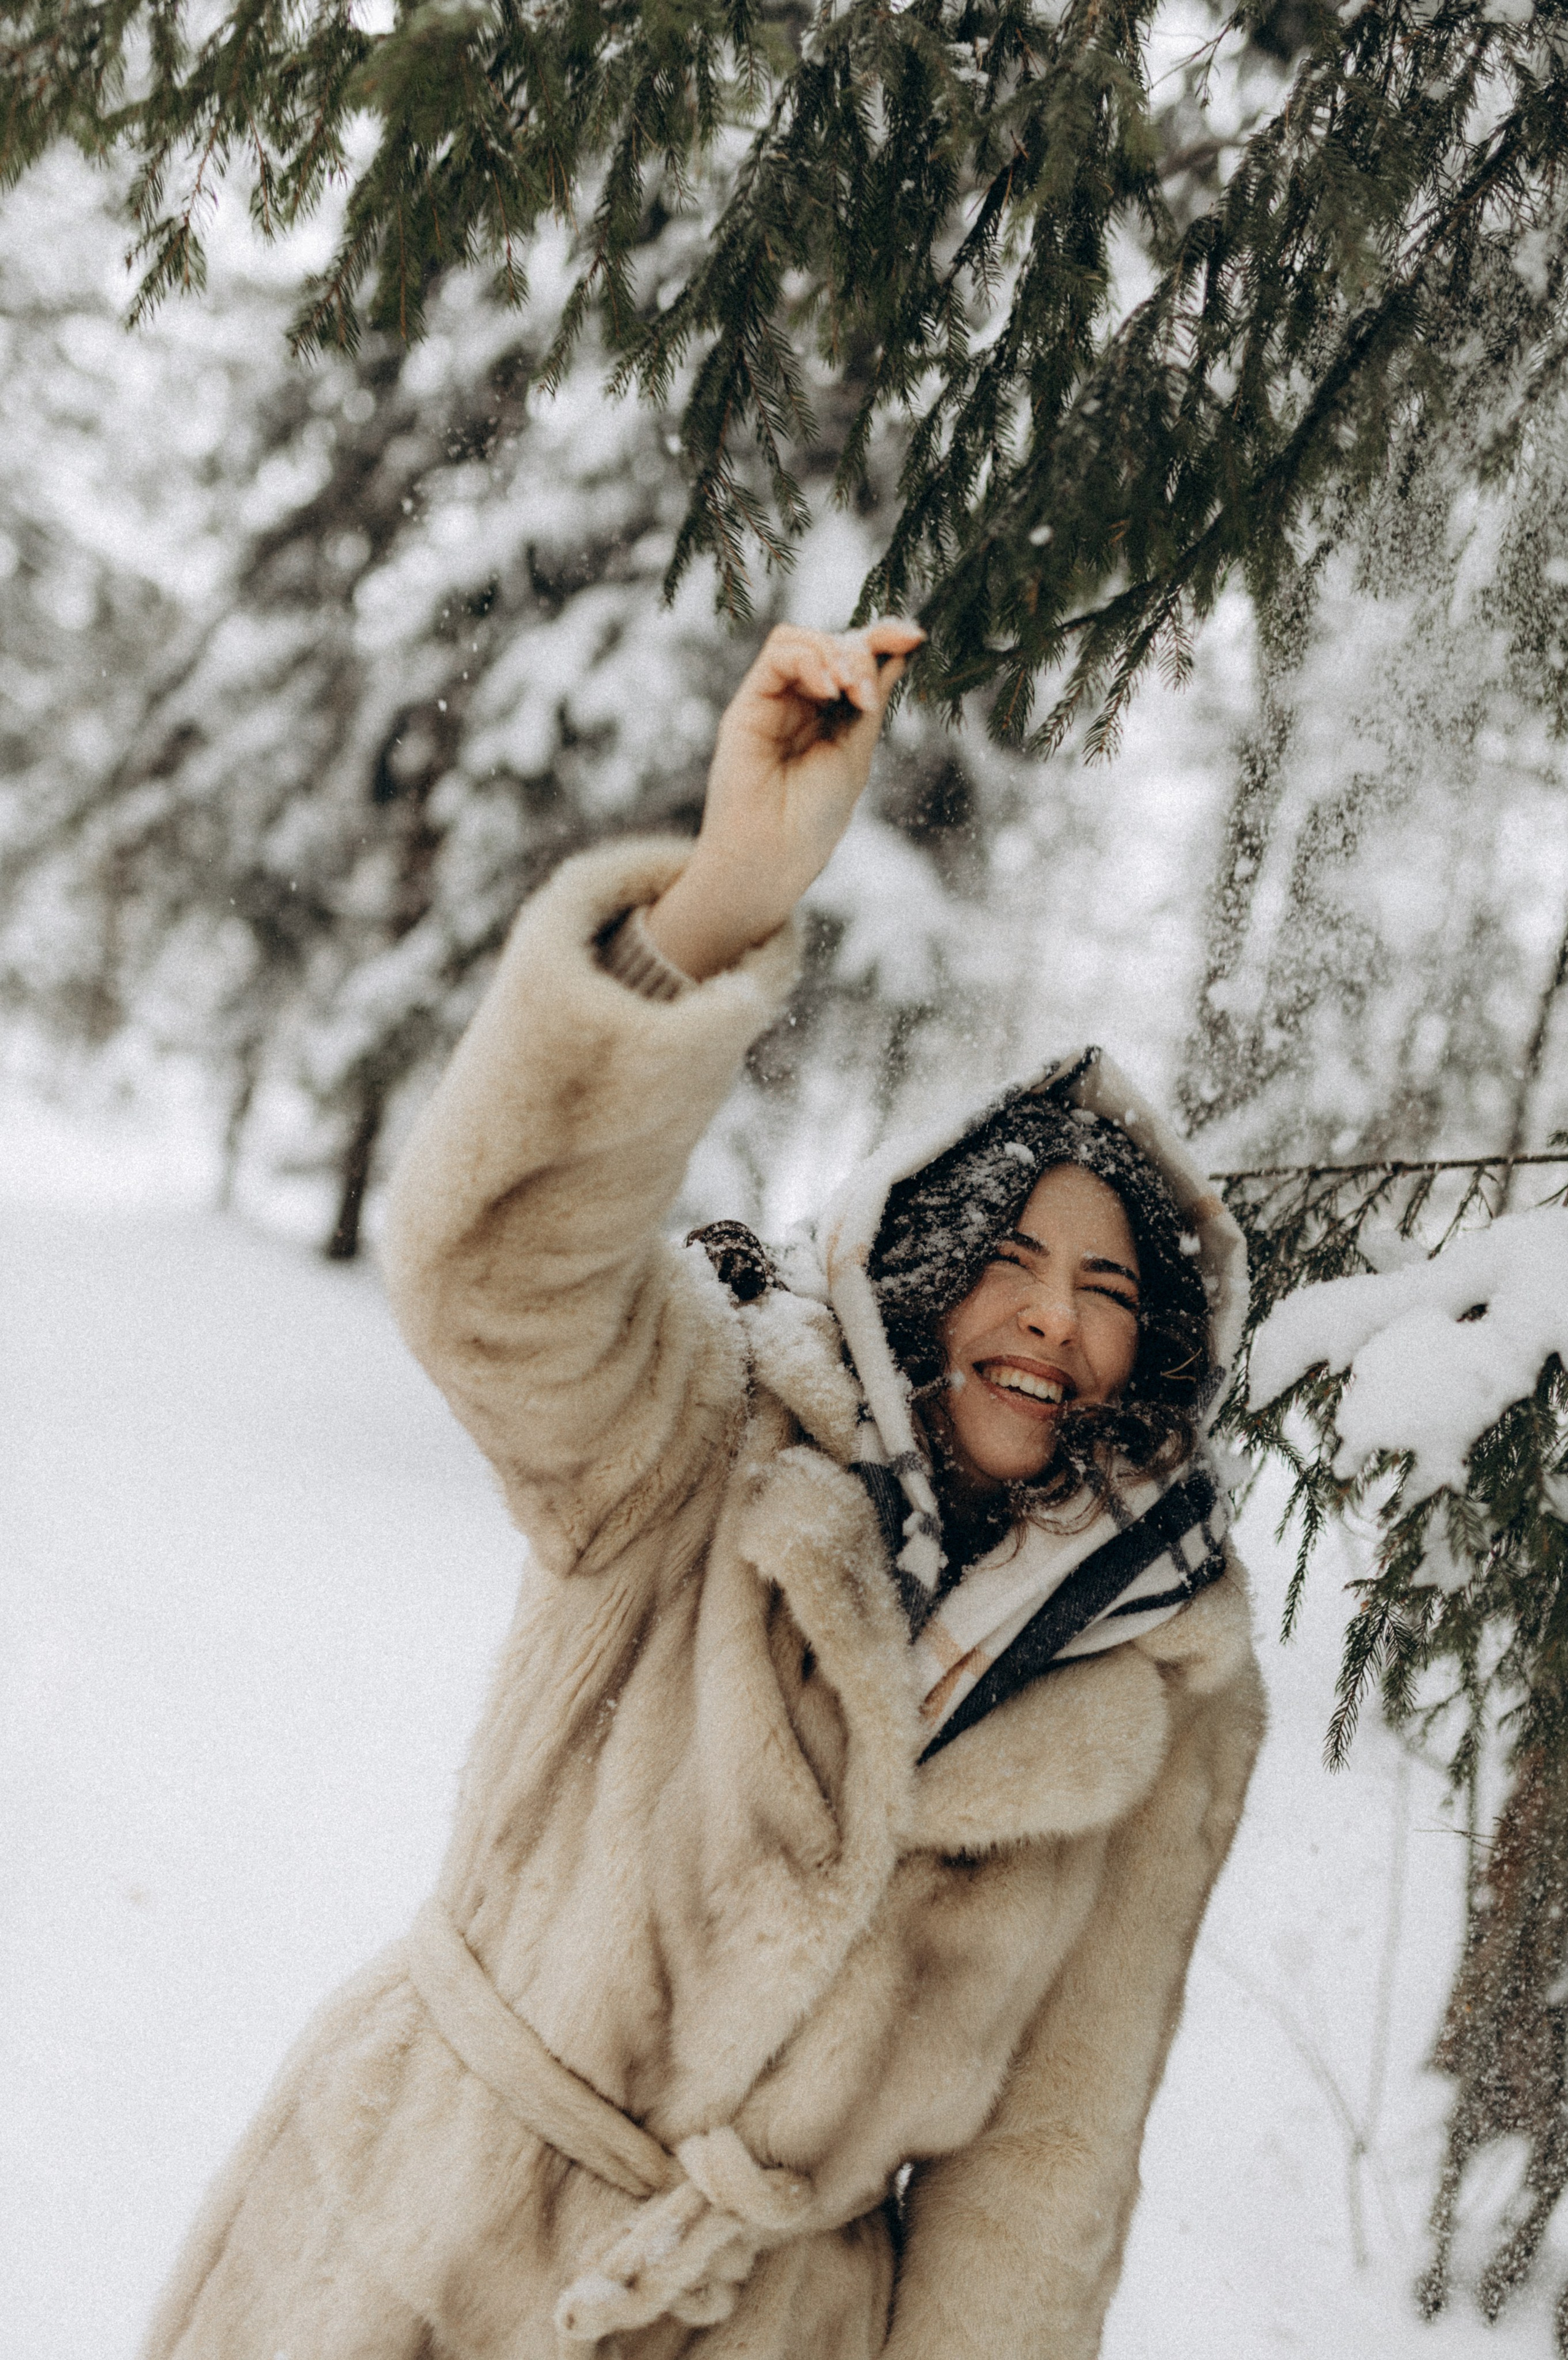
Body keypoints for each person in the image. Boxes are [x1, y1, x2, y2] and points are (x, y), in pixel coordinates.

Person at [143, 621, 1264, 2360]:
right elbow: (492, 1274)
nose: (1054, 1316)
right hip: (407, 2241)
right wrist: (723, 904)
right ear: (925, 1264)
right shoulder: (713, 1431)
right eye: (1016, 1261)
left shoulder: (1166, 1675)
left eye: (1114, 1293)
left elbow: (1052, 2165)